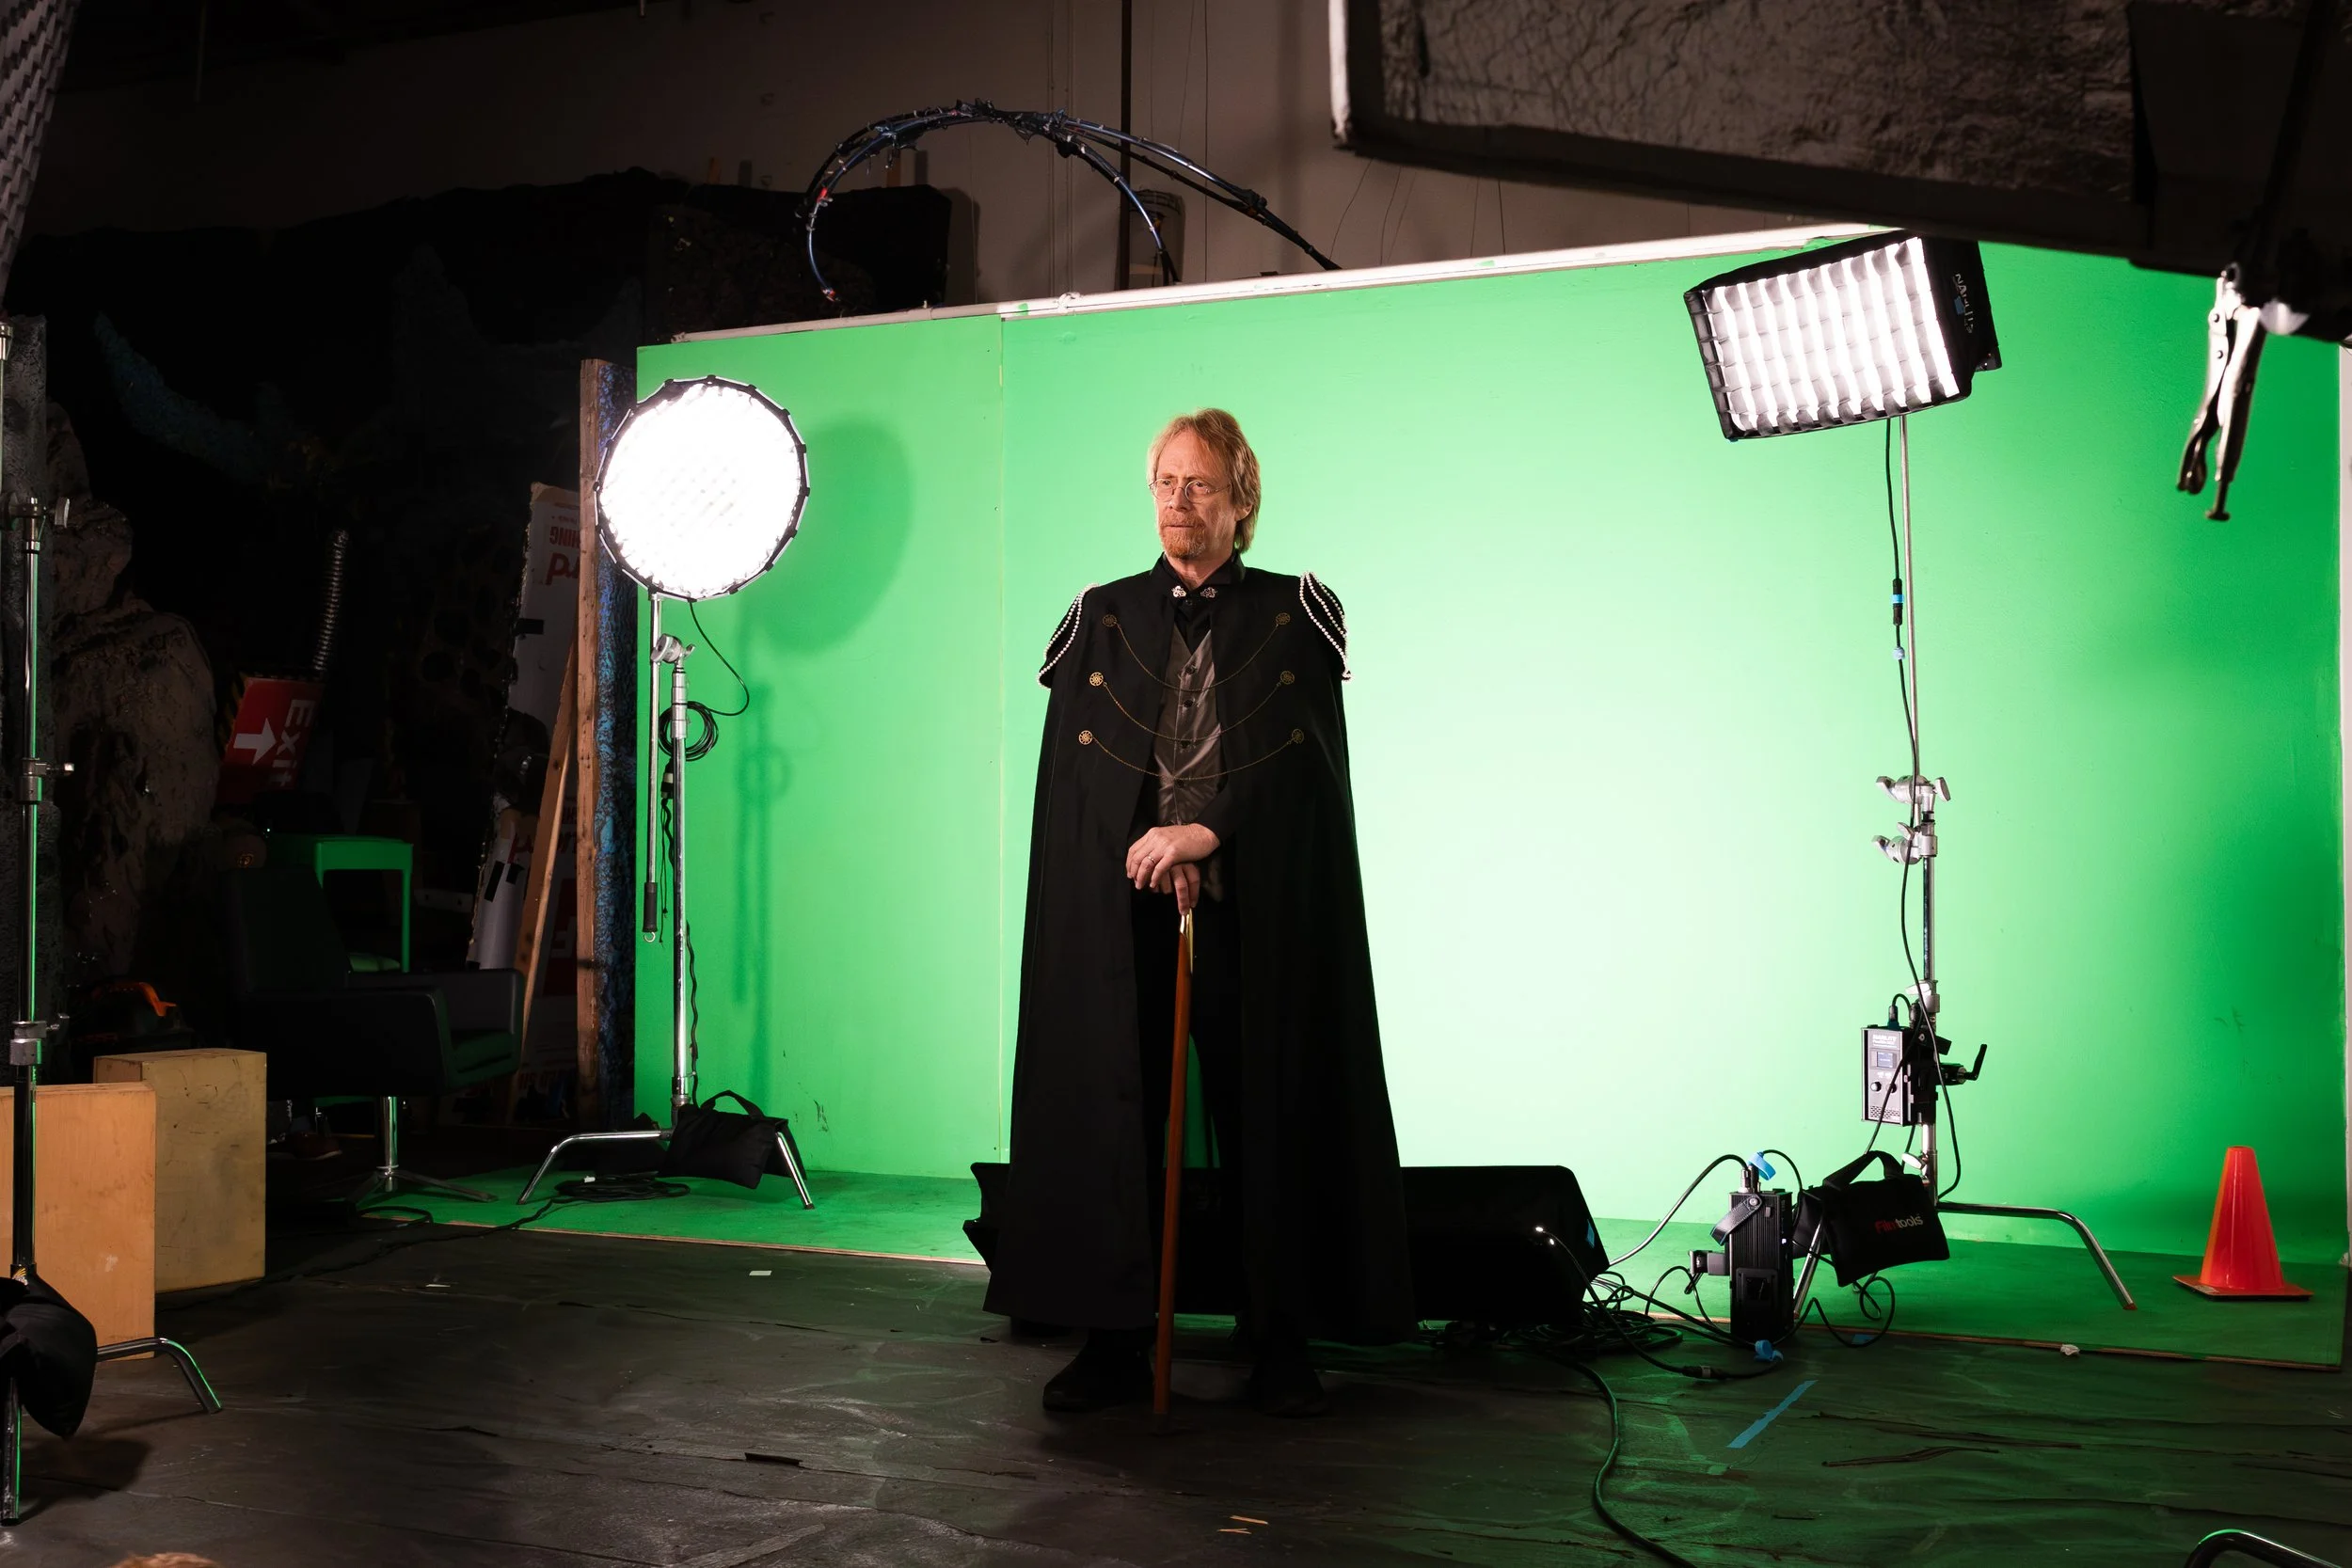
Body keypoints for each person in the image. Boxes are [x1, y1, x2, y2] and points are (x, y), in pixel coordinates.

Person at [983, 408, 1414, 1418]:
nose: (1180, 502)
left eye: (1202, 485)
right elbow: (1078, 786)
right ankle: (1113, 1338)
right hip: (1127, 913)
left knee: (1270, 1105)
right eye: (1167, 483)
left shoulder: (1294, 612)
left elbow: (1302, 766)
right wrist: (1144, 846)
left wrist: (1206, 833)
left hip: (1256, 911)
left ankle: (1279, 1340)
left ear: (1242, 500)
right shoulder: (1101, 616)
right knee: (1114, 1109)